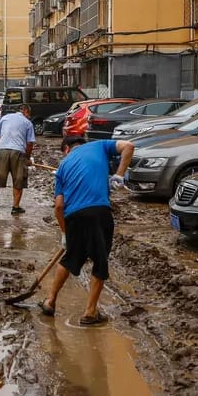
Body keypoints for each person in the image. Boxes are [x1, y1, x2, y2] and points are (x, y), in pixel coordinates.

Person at [38, 135, 135, 326]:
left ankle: (50, 301)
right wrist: (119, 175)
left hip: (74, 216)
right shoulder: (99, 145)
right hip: (98, 211)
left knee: (69, 258)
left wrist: (66, 233)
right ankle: (90, 312)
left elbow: (58, 206)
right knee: (100, 261)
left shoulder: (63, 166)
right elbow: (129, 146)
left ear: (66, 149)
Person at [0, 104, 36, 215]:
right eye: (29, 114)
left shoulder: (5, 118)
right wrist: (27, 157)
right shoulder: (28, 123)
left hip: (3, 151)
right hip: (18, 152)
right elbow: (30, 143)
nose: (29, 117)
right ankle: (15, 207)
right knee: (18, 180)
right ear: (25, 111)